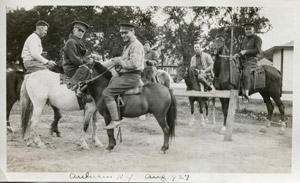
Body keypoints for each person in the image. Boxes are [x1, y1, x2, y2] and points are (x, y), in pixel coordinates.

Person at [102, 22, 144, 129]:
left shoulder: (136, 45)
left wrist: (120, 62)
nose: (123, 35)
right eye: (121, 33)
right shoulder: (128, 45)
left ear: (133, 32)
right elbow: (125, 62)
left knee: (107, 93)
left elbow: (134, 64)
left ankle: (115, 120)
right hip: (125, 75)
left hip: (132, 76)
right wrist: (117, 62)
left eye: (126, 33)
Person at [62, 20, 94, 101]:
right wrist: (87, 61)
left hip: (76, 67)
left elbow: (80, 58)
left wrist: (88, 60)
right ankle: (77, 88)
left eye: (83, 32)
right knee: (86, 70)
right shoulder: (71, 42)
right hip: (71, 68)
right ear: (74, 30)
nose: (81, 33)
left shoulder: (78, 42)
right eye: (79, 30)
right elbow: (75, 60)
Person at [234, 22, 262, 103]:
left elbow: (257, 50)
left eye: (250, 29)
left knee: (246, 73)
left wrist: (246, 51)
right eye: (246, 29)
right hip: (242, 60)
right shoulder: (244, 39)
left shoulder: (257, 39)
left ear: (254, 30)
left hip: (252, 60)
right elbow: (241, 50)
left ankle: (246, 94)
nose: (248, 31)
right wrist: (237, 54)